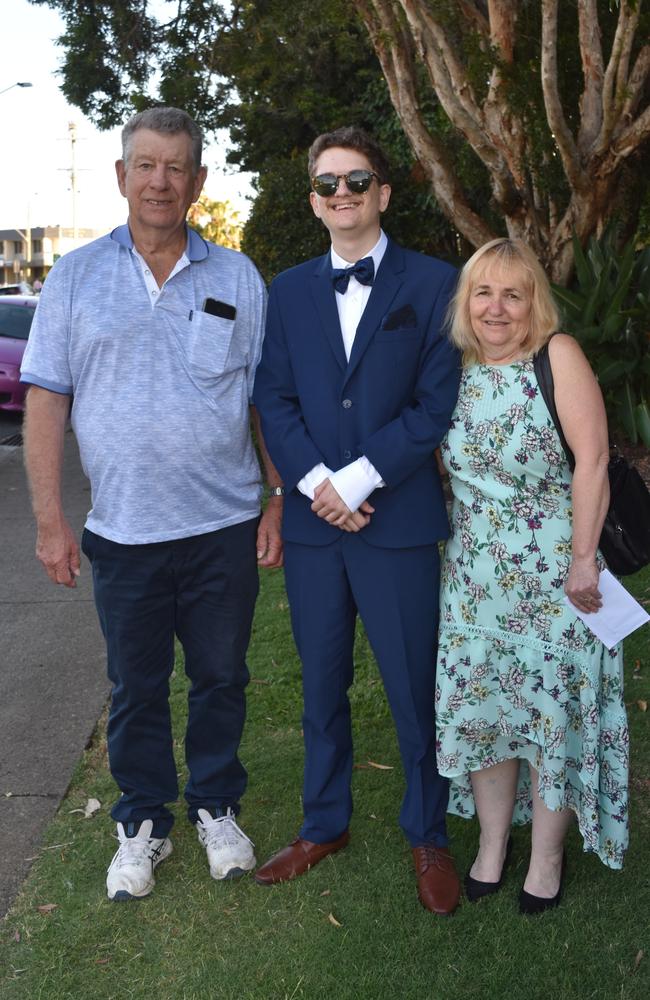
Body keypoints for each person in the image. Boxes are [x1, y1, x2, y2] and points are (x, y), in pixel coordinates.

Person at [20, 106, 283, 902]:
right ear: (122, 176)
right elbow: (45, 402)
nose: (160, 181)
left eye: (176, 167)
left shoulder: (237, 276)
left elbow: (263, 401)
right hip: (124, 533)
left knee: (219, 677)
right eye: (146, 165)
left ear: (199, 181)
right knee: (135, 686)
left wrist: (275, 500)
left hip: (223, 527)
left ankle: (215, 805)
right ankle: (141, 822)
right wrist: (49, 522)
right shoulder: (74, 278)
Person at [253, 126, 462, 915]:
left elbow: (435, 401)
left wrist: (361, 477)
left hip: (398, 520)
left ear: (381, 192)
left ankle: (428, 831)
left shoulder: (436, 284)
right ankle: (324, 823)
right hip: (315, 528)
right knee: (321, 682)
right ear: (314, 200)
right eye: (328, 183)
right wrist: (315, 485)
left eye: (357, 180)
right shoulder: (287, 291)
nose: (343, 194)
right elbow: (272, 396)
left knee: (414, 686)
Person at [435, 237, 629, 914]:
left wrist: (582, 558)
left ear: (533, 303)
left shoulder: (558, 356)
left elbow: (594, 460)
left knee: (550, 714)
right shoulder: (451, 367)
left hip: (556, 577)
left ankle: (545, 857)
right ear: (466, 302)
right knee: (486, 710)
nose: (496, 308)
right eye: (483, 292)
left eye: (513, 294)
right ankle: (492, 845)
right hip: (474, 578)